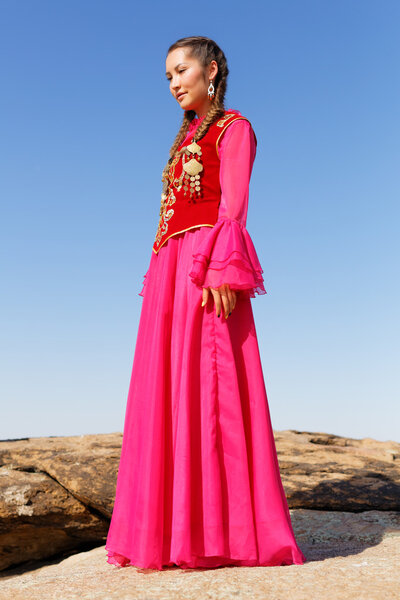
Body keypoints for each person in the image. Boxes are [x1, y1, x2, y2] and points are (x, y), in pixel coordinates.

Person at [105, 35, 306, 571]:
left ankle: (225, 534)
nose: (173, 83)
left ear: (210, 70)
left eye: (181, 70)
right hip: (171, 270)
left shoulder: (233, 128)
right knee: (168, 389)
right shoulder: (184, 137)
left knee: (210, 385)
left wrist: (222, 266)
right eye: (167, 75)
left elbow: (234, 206)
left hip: (206, 264)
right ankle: (171, 533)